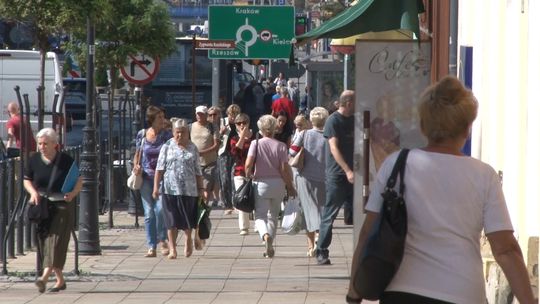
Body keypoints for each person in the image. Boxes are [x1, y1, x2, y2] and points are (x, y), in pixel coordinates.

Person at [347, 76, 537, 304]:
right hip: (462, 293)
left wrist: (354, 292)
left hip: (402, 291)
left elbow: (368, 232)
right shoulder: (484, 175)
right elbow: (505, 249)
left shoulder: (397, 165)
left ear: (423, 125)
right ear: (467, 128)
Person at [24, 128, 83, 293]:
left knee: (55, 242)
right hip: (42, 206)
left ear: (55, 144)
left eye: (45, 144)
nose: (42, 147)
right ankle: (60, 280)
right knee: (44, 242)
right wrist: (33, 193)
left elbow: (79, 180)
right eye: (40, 144)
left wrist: (72, 194)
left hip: (62, 205)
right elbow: (27, 180)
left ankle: (43, 278)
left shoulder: (65, 160)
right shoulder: (34, 160)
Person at [244, 115, 296, 258]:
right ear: (274, 129)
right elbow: (284, 169)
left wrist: (249, 174)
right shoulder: (281, 146)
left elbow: (248, 164)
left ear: (260, 129)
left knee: (260, 215)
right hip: (278, 184)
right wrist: (290, 186)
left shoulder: (256, 144)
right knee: (273, 215)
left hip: (261, 183)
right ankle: (271, 242)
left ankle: (265, 235)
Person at [153, 118, 204, 259]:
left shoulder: (193, 148)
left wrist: (201, 189)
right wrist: (156, 187)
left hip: (189, 190)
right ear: (173, 132)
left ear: (188, 133)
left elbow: (198, 171)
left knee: (187, 220)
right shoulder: (167, 146)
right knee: (171, 221)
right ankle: (172, 249)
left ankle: (188, 239)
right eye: (177, 132)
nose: (179, 135)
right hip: (170, 189)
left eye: (183, 132)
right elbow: (159, 169)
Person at [316, 90, 355, 266]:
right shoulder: (334, 120)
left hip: (356, 174)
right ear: (348, 103)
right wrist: (347, 170)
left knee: (363, 213)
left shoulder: (356, 119)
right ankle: (321, 251)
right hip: (338, 175)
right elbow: (334, 148)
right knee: (330, 213)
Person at [289, 108, 329, 257]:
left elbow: (292, 152)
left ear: (311, 120)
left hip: (304, 176)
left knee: (307, 210)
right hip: (324, 177)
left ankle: (311, 245)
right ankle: (319, 236)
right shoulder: (329, 136)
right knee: (322, 209)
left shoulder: (304, 134)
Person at [133, 105, 171, 258]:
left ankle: (162, 238)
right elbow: (138, 153)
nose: (163, 120)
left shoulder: (167, 135)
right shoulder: (142, 134)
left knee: (160, 210)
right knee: (149, 212)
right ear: (152, 120)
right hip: (146, 177)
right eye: (160, 117)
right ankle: (151, 246)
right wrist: (136, 165)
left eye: (163, 117)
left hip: (163, 177)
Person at [229, 113, 254, 235]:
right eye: (239, 123)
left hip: (254, 172)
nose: (242, 125)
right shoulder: (234, 138)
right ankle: (244, 227)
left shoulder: (255, 137)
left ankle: (258, 224)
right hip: (240, 171)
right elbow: (236, 151)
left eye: (244, 123)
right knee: (242, 198)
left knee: (256, 198)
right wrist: (243, 135)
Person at [190, 105, 219, 205]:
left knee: (206, 189)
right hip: (195, 163)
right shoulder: (191, 127)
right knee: (196, 189)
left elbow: (216, 145)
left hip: (209, 163)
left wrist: (202, 153)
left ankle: (203, 210)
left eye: (201, 114)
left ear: (206, 115)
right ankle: (199, 209)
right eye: (197, 114)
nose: (199, 116)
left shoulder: (212, 126)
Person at [216, 104, 240, 215]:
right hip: (224, 153)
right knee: (224, 179)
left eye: (235, 115)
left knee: (234, 179)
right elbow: (216, 139)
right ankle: (227, 205)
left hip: (235, 153)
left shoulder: (240, 123)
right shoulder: (222, 122)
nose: (233, 117)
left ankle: (235, 203)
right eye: (231, 114)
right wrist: (221, 132)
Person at [371, 94, 400, 171]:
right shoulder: (376, 125)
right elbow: (379, 146)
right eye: (388, 107)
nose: (391, 109)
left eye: (391, 107)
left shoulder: (391, 125)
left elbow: (396, 144)